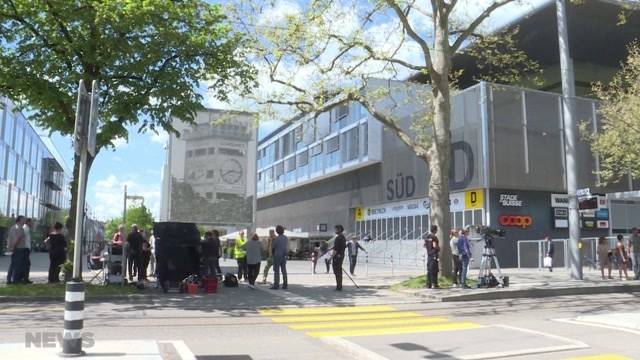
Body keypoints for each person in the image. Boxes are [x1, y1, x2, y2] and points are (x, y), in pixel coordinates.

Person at [6, 216, 26, 284]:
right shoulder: (20, 228)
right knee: (17, 265)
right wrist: (14, 247)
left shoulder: (12, 227)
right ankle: (15, 280)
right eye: (23, 219)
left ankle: (9, 279)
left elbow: (9, 238)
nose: (24, 221)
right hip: (18, 248)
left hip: (13, 248)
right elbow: (18, 238)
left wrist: (10, 248)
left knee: (12, 264)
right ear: (20, 220)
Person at [271, 225, 289, 290]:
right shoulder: (286, 238)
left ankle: (276, 284)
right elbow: (286, 247)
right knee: (284, 270)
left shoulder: (276, 239)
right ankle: (285, 284)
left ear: (277, 231)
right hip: (283, 255)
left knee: (276, 270)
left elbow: (273, 248)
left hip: (277, 255)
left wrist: (272, 254)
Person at [425, 225, 440, 289]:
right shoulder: (434, 237)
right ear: (435, 230)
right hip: (434, 254)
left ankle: (429, 284)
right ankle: (434, 283)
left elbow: (424, 245)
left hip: (429, 254)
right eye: (436, 229)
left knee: (429, 269)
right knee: (434, 269)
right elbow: (434, 246)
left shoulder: (427, 236)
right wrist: (438, 248)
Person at [332, 225, 347, 290]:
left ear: (339, 229)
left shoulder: (338, 238)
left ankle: (339, 286)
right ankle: (339, 285)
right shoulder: (343, 237)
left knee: (337, 271)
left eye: (336, 229)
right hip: (341, 256)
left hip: (337, 257)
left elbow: (335, 250)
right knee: (339, 271)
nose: (335, 231)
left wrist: (330, 258)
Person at [22, 218, 33, 283]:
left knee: (26, 263)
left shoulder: (26, 228)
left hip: (26, 248)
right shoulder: (26, 228)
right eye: (31, 222)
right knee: (27, 264)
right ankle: (25, 278)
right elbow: (22, 237)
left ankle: (25, 278)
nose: (32, 223)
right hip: (25, 248)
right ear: (28, 222)